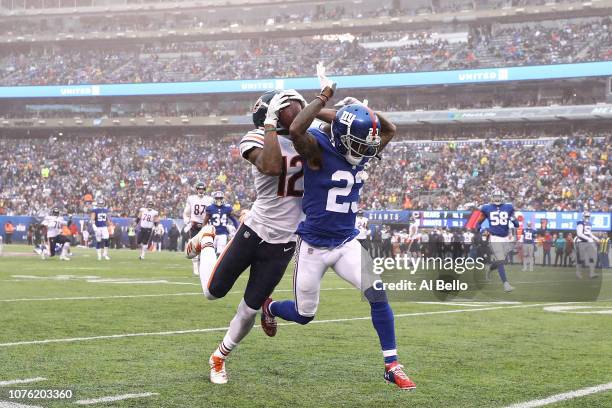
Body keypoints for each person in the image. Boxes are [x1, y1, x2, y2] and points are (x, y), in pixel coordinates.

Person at [262, 69, 416, 390]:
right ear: (343, 134)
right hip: (315, 246)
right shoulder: (316, 150)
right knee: (305, 315)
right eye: (358, 141)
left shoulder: (360, 146)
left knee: (377, 293)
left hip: (347, 242)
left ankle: (392, 364)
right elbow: (296, 127)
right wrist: (326, 100)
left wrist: (353, 114)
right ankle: (271, 306)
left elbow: (389, 128)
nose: (365, 150)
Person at [187, 88, 334, 385]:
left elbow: (340, 121)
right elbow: (271, 165)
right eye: (289, 107)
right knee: (212, 292)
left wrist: (315, 107)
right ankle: (205, 241)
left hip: (284, 242)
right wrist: (270, 124)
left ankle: (219, 357)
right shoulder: (254, 138)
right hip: (254, 230)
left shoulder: (311, 135)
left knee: (250, 308)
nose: (294, 109)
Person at [474, 189, 519, 292]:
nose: (497, 199)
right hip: (494, 237)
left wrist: (513, 219)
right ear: (492, 197)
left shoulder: (508, 207)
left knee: (502, 261)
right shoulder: (486, 208)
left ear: (502, 197)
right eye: (495, 197)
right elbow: (479, 222)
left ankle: (489, 269)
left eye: (499, 197)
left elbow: (516, 224)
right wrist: (479, 229)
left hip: (505, 237)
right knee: (500, 260)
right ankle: (506, 284)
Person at [183, 181, 213, 275]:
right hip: (194, 225)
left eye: (202, 189)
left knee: (204, 247)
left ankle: (202, 268)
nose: (201, 190)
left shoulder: (209, 199)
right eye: (199, 189)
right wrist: (188, 221)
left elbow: (212, 212)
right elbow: (186, 212)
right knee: (194, 246)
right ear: (197, 189)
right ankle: (195, 268)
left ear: (205, 189)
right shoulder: (191, 199)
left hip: (205, 225)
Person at [203, 191, 238, 256]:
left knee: (220, 253)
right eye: (217, 198)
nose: (219, 200)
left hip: (223, 234)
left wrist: (238, 229)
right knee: (209, 252)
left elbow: (234, 220)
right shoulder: (210, 208)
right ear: (214, 199)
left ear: (223, 199)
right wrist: (203, 232)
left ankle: (217, 266)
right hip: (212, 234)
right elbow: (205, 221)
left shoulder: (227, 208)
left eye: (220, 198)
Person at [575, 211, 599, 279]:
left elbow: (589, 233)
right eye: (586, 216)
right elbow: (579, 234)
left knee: (591, 257)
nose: (587, 218)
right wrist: (588, 239)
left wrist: (595, 238)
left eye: (588, 216)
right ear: (583, 216)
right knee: (580, 259)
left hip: (588, 242)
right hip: (581, 242)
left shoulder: (589, 224)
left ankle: (592, 273)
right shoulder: (580, 223)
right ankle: (578, 272)